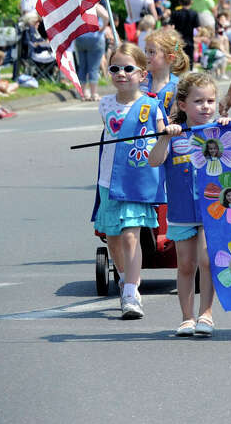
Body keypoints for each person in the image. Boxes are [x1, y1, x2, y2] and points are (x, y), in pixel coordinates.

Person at [148, 72, 228, 336]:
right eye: (198, 101)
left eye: (210, 101)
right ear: (183, 105)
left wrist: (230, 126)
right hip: (181, 213)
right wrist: (165, 137)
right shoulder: (175, 135)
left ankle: (206, 314)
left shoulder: (218, 131)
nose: (206, 107)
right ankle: (187, 317)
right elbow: (154, 161)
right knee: (185, 265)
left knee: (207, 260)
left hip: (211, 211)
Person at [92, 43, 165, 320]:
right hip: (109, 179)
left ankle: (132, 292)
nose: (121, 73)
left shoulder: (151, 106)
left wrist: (166, 134)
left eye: (128, 68)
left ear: (143, 74)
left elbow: (160, 141)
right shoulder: (105, 103)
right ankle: (124, 276)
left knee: (130, 235)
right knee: (112, 237)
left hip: (136, 180)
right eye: (115, 68)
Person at [142, 29, 190, 113]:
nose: (146, 56)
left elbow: (175, 117)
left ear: (170, 58)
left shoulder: (176, 87)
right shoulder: (141, 80)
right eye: (145, 51)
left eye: (151, 52)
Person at [73, 2, 111, 102]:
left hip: (80, 38)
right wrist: (102, 29)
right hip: (95, 39)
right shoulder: (96, 6)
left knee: (83, 67)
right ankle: (94, 93)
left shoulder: (79, 5)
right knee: (93, 67)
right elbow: (106, 17)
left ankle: (83, 93)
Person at [169, 0, 201, 66]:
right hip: (189, 41)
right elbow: (198, 28)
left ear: (180, 2)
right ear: (191, 2)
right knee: (189, 60)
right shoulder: (194, 13)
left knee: (177, 58)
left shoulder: (175, 13)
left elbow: (171, 27)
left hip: (178, 41)